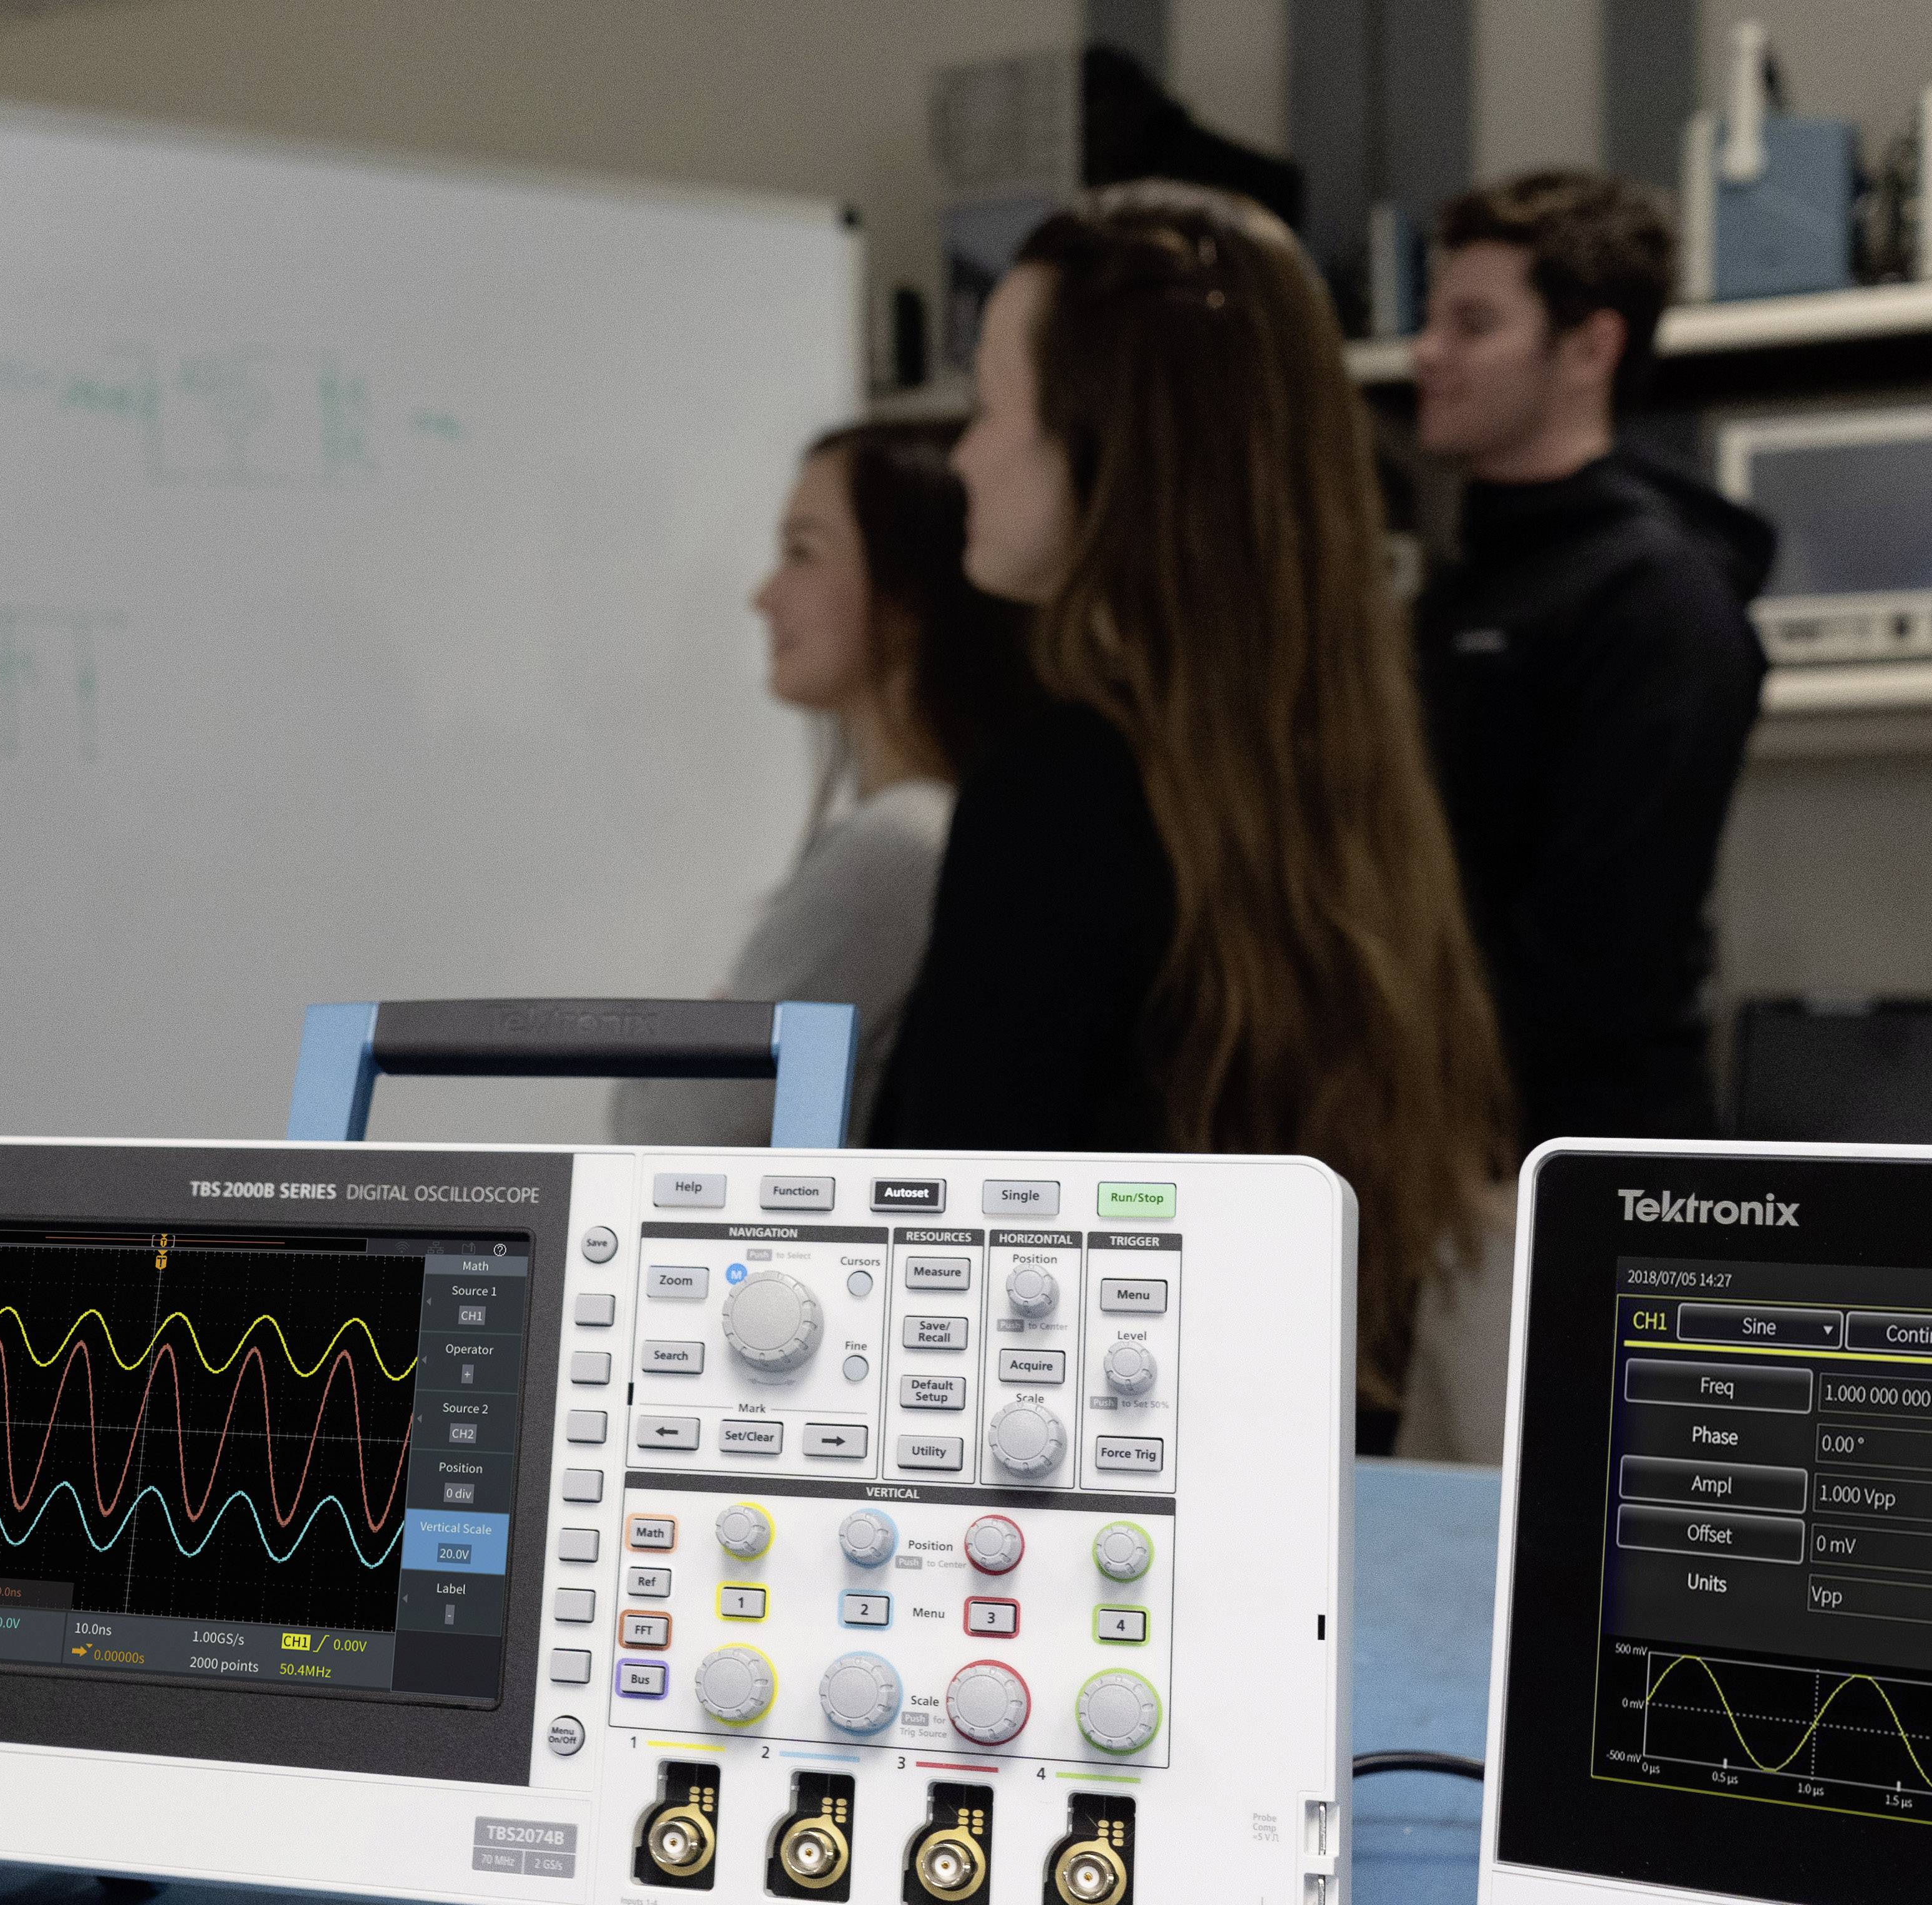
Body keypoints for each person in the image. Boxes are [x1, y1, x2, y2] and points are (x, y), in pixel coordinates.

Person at [873, 180, 1512, 1442]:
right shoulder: (1345, 798)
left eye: (993, 406)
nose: (961, 456)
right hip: (1282, 1518)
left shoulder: (1062, 793)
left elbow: (936, 1251)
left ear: (1115, 450)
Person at [1411, 169, 1773, 1147]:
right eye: (1432, 321)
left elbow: (1599, 954)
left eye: (1473, 325)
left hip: (1572, 1157)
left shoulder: (1658, 600)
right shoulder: (1463, 586)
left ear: (1591, 347)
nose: (1427, 354)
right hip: (1442, 1135)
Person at [612, 419, 1046, 1145]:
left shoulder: (900, 845)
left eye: (802, 553)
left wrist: (691, 1043)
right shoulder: (939, 833)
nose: (764, 595)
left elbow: (671, 1130)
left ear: (909, 593)